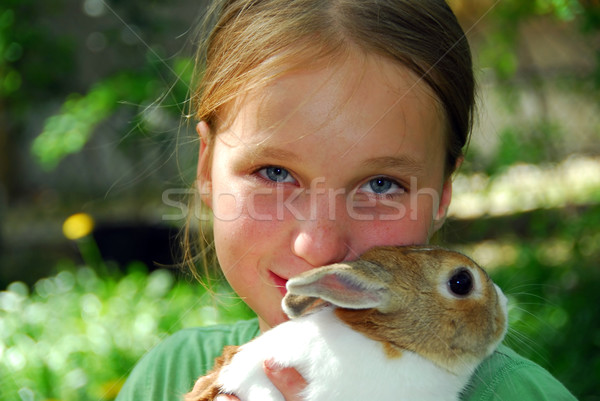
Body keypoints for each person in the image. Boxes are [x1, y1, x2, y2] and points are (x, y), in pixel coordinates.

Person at [116, 0, 577, 400]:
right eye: (275, 173)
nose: (318, 247)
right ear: (206, 170)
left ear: (441, 196)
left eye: (380, 185)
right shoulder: (166, 377)